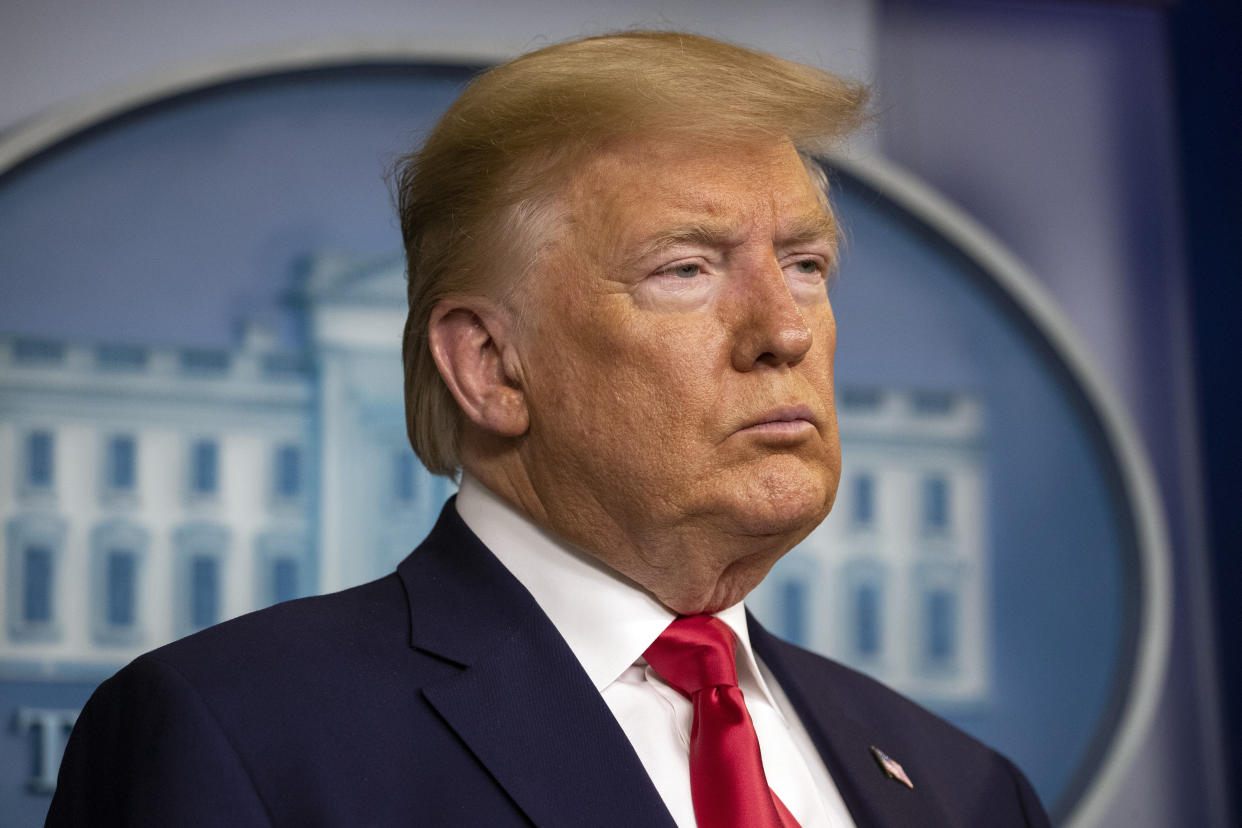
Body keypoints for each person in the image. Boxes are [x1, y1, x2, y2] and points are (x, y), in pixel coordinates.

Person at [47, 31, 1050, 827]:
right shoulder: (239, 734)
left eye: (805, 265)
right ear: (490, 366)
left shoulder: (966, 790)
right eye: (686, 269)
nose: (785, 330)